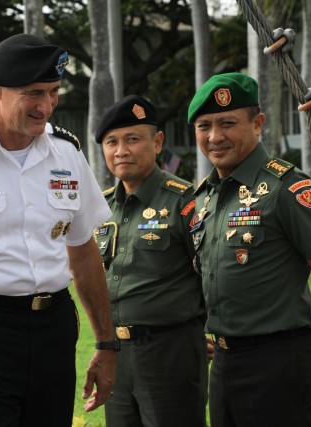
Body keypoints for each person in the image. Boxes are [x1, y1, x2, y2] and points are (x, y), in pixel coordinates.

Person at [0, 33, 117, 426]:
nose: (46, 107)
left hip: (54, 328)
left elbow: (83, 250)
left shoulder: (66, 152)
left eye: (53, 92)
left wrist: (107, 343)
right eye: (33, 94)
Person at [189, 72, 311, 426]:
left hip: (280, 365)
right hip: (223, 365)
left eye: (227, 123)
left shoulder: (287, 188)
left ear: (258, 123)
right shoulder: (205, 198)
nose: (215, 136)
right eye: (204, 125)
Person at [94, 95, 208, 426]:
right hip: (114, 351)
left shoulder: (185, 201)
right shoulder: (101, 209)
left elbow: (211, 271)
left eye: (132, 139)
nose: (121, 151)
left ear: (157, 143)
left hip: (168, 350)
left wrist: (206, 330)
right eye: (111, 142)